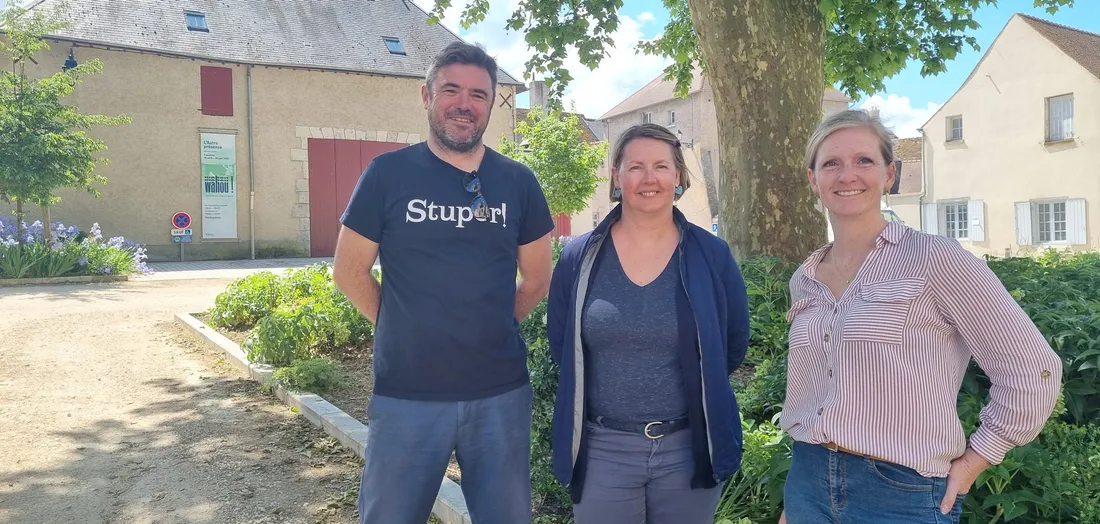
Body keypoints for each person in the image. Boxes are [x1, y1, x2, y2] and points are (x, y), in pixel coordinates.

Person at [778, 109, 1063, 524]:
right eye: (831, 164)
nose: (847, 175)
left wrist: (979, 457)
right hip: (808, 480)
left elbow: (1034, 369)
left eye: (864, 160)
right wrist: (798, 500)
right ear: (813, 179)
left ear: (889, 174)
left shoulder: (935, 259)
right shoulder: (805, 278)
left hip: (900, 492)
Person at [333, 41, 555, 524]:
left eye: (479, 94)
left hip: (499, 395)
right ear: (426, 95)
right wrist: (403, 325)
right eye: (451, 90)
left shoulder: (518, 182)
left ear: (491, 104)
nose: (464, 104)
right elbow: (348, 272)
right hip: (406, 393)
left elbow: (538, 280)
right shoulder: (387, 174)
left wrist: (492, 325)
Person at [545, 123, 751, 524]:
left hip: (689, 448)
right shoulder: (579, 257)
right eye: (635, 167)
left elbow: (731, 343)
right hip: (603, 450)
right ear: (616, 177)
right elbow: (562, 345)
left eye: (661, 166)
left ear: (678, 177)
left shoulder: (712, 255)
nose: (648, 178)